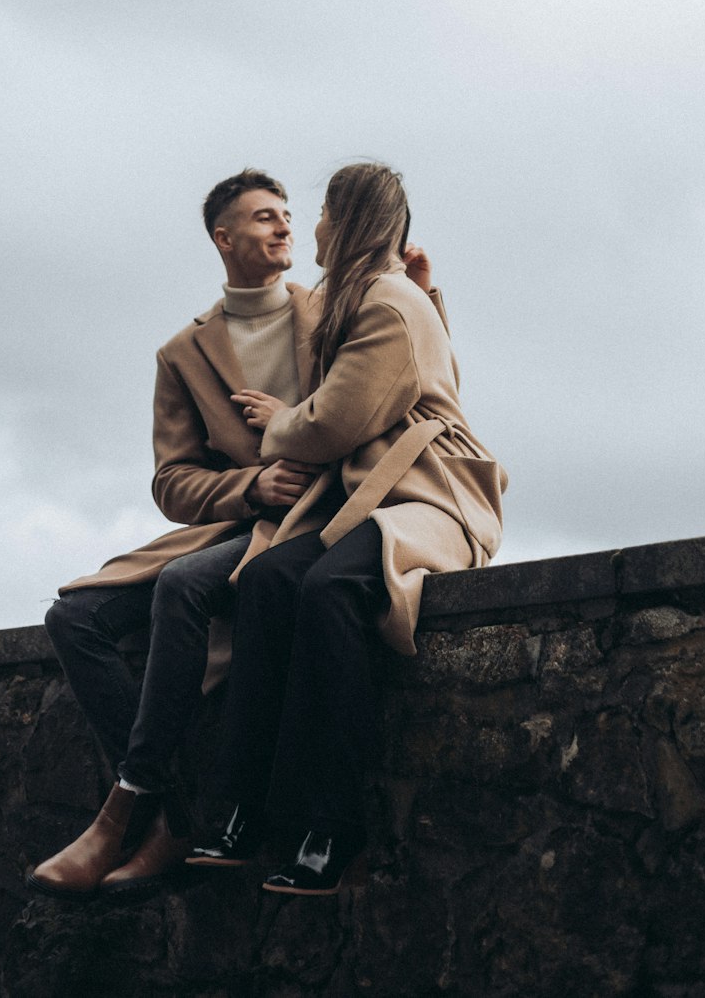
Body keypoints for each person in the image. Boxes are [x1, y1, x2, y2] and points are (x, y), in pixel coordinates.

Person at [27, 167, 442, 900]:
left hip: (319, 513)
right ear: (224, 238)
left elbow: (400, 371)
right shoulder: (182, 355)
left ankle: (131, 809)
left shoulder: (340, 303)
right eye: (263, 217)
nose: (285, 226)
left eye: (290, 214)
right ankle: (168, 813)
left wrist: (423, 288)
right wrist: (248, 484)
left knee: (190, 590)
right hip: (238, 523)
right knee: (75, 616)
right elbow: (172, 483)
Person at [187, 162, 505, 895]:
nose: (313, 225)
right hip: (376, 491)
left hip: (433, 493)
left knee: (329, 591)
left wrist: (278, 426)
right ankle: (242, 814)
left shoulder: (386, 303)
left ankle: (334, 830)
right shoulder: (370, 295)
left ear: (353, 219)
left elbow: (334, 422)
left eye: (324, 211)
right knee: (268, 579)